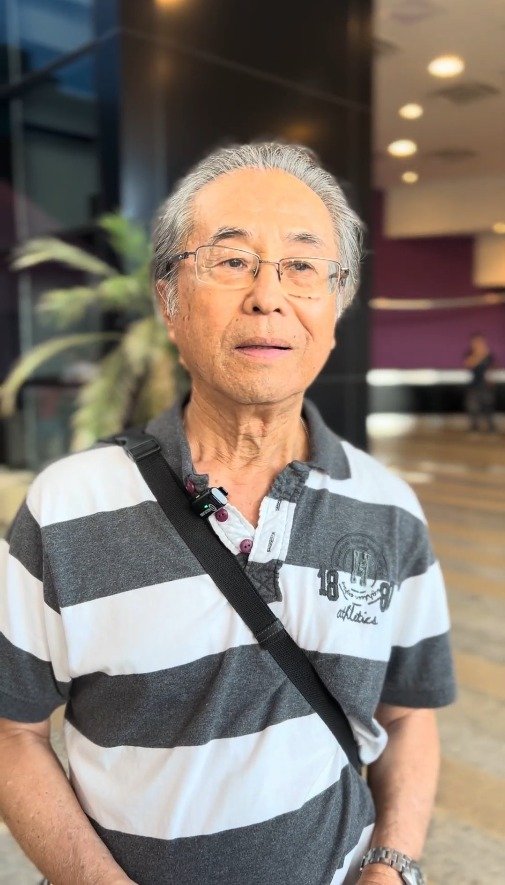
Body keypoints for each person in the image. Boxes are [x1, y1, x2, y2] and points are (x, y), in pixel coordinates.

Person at [0, 142, 456, 885]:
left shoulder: (389, 509)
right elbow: (11, 732)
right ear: (168, 301)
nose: (268, 296)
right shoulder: (66, 506)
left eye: (302, 265)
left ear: (335, 307)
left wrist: (390, 865)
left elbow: (407, 716)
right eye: (233, 260)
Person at [463, 332, 496, 432]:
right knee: (473, 406)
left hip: (485, 384)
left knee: (488, 405)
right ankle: (474, 427)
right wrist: (479, 355)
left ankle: (491, 426)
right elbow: (469, 364)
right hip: (474, 383)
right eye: (476, 342)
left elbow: (492, 368)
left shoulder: (488, 355)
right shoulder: (469, 354)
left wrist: (491, 379)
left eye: (480, 342)